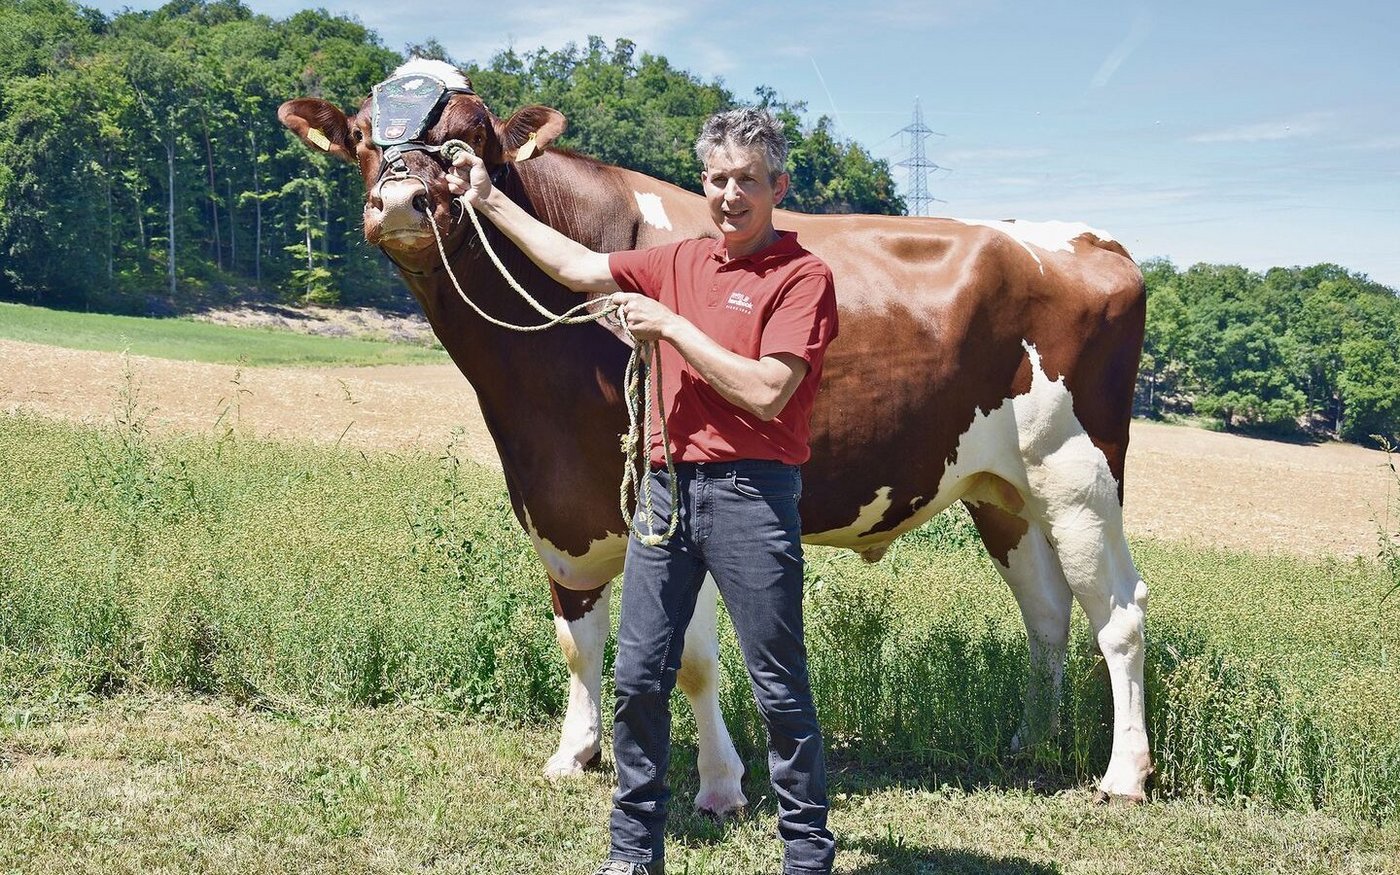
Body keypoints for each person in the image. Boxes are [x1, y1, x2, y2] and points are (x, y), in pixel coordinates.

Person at [447, 107, 838, 875]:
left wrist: (670, 328)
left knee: (778, 685)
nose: (732, 195)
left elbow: (766, 390)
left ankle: (806, 856)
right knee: (637, 677)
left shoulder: (802, 277)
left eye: (749, 181)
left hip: (751, 496)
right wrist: (487, 196)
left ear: (778, 186)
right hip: (662, 493)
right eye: (719, 179)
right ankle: (633, 855)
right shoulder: (680, 259)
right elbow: (577, 266)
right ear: (705, 183)